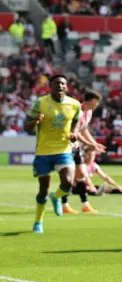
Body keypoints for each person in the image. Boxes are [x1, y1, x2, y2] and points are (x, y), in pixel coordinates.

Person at [25, 74, 82, 234]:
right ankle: (38, 221)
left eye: (63, 84)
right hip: (43, 152)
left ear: (67, 87)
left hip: (63, 150)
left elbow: (77, 120)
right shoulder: (41, 103)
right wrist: (34, 121)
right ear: (50, 87)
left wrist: (74, 132)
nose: (60, 86)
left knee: (69, 183)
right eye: (56, 83)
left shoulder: (74, 104)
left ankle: (56, 197)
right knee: (43, 189)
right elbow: (26, 127)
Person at [62, 90, 106, 215]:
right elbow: (75, 132)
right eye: (97, 102)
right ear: (92, 101)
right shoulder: (77, 111)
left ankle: (85, 205)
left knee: (81, 175)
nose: (97, 105)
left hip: (76, 147)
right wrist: (90, 144)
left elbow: (84, 129)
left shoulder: (89, 112)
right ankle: (64, 203)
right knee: (70, 177)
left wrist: (94, 143)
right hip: (68, 146)